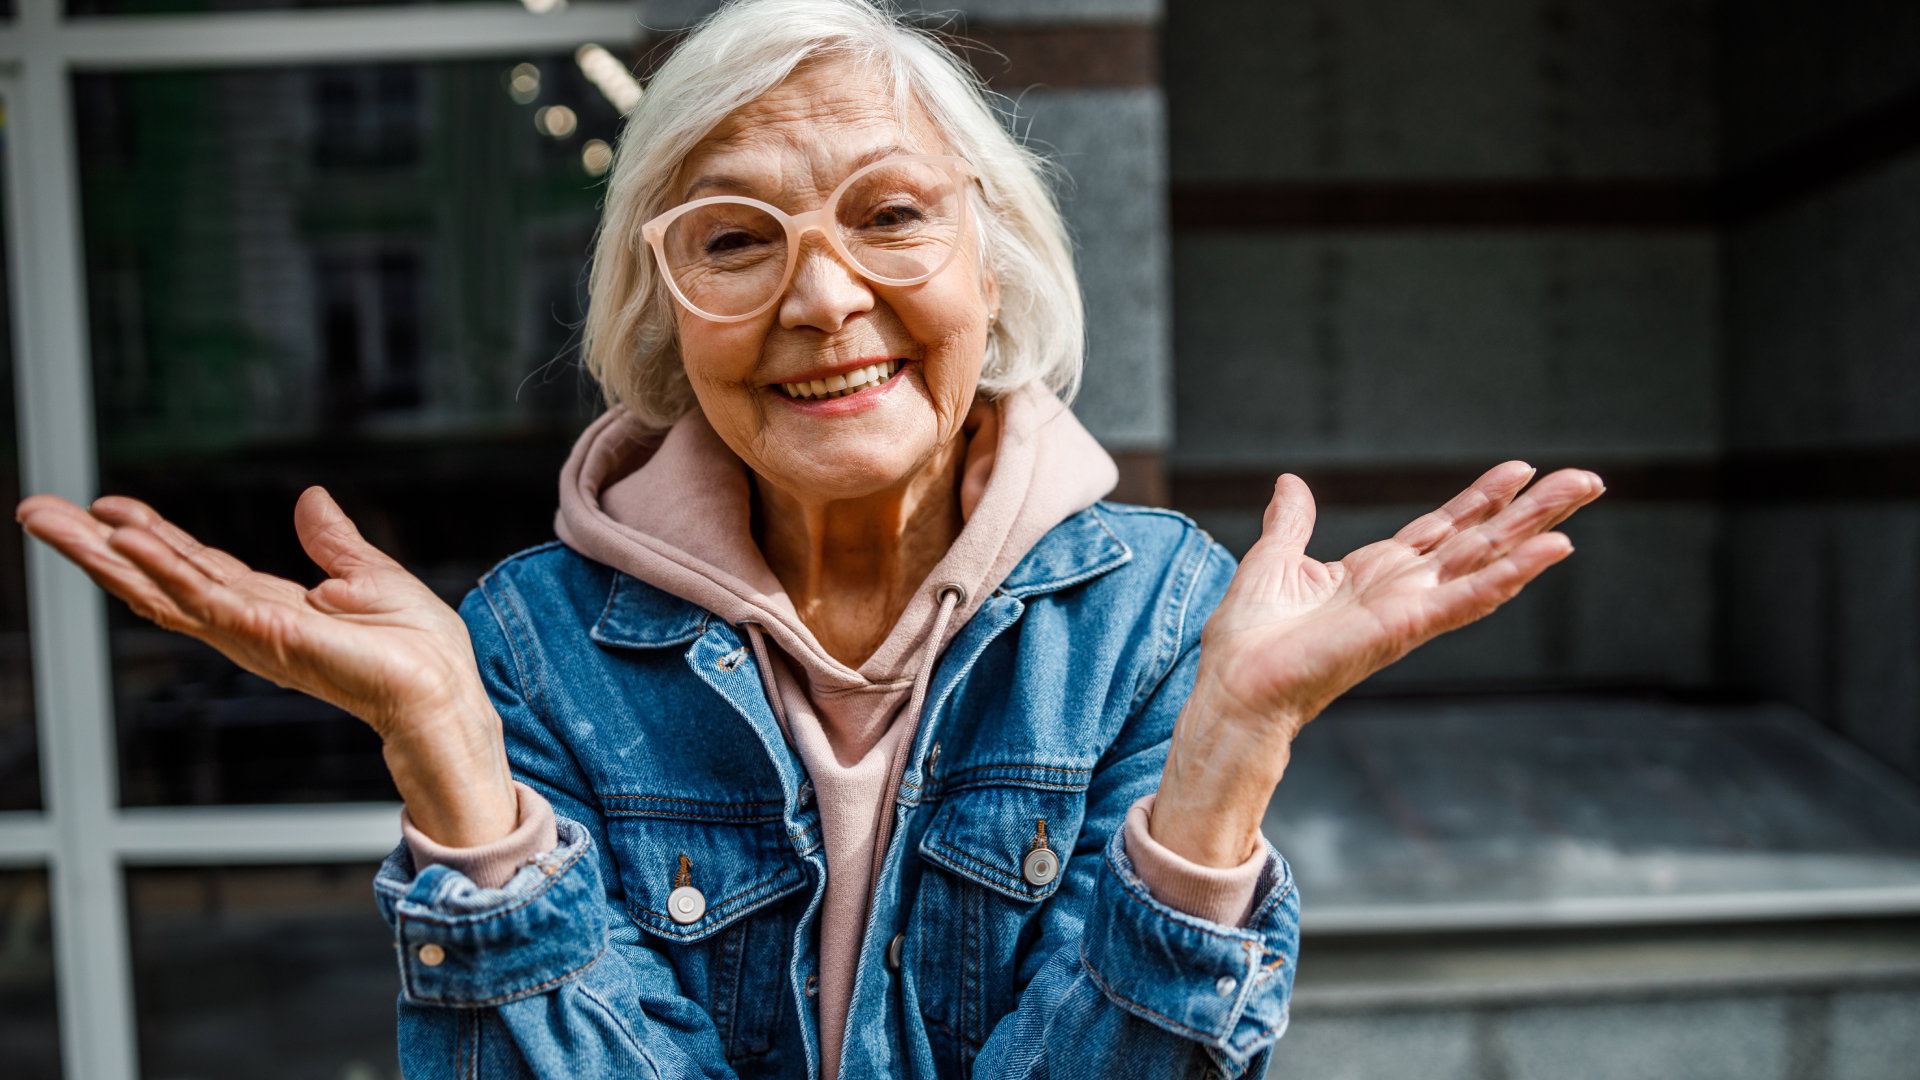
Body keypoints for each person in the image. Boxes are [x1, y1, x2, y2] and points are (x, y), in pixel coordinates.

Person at [14, 1, 1604, 1076]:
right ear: (666, 311)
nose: (823, 298)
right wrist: (452, 759)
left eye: (890, 216)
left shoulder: (1163, 620)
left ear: (995, 263)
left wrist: (1233, 742)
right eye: (734, 239)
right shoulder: (529, 648)